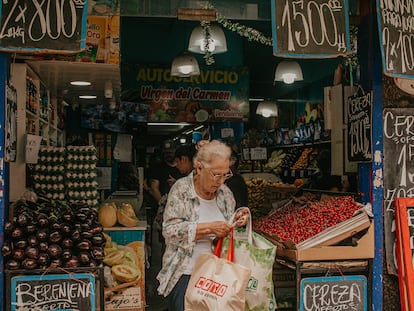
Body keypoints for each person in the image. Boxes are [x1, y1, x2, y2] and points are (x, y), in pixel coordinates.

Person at [156, 140, 249, 311]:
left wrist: (237, 223)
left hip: (217, 276)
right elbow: (169, 231)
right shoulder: (181, 190)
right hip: (185, 273)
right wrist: (208, 228)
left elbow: (229, 230)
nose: (220, 181)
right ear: (199, 168)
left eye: (225, 175)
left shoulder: (225, 194)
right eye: (216, 175)